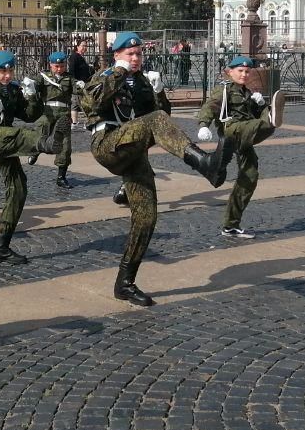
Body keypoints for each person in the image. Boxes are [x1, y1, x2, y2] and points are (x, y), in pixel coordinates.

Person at [81, 32, 235, 306]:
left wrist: (159, 90)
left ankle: (125, 283)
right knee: (152, 121)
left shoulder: (140, 82)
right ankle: (204, 163)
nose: (136, 58)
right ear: (116, 55)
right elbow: (93, 102)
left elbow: (162, 120)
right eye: (130, 54)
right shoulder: (102, 75)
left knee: (147, 217)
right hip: (107, 143)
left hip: (133, 150)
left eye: (139, 54)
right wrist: (118, 72)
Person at [0, 50, 69, 264]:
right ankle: (44, 143)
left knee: (19, 187)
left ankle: (1, 247)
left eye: (11, 70)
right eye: (3, 71)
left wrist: (33, 96)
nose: (8, 75)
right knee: (18, 134)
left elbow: (29, 115)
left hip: (7, 142)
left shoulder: (13, 89)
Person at [195, 55, 284, 239]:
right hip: (232, 132)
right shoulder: (224, 90)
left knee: (250, 176)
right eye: (240, 71)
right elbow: (209, 106)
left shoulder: (247, 92)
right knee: (263, 124)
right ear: (230, 72)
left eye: (247, 71)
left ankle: (231, 225)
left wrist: (259, 104)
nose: (244, 74)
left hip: (245, 135)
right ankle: (270, 119)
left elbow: (250, 113)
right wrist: (203, 125)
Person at [26, 50, 78, 188]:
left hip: (63, 114)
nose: (59, 69)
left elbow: (77, 90)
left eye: (62, 66)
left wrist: (82, 86)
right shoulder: (44, 77)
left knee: (65, 145)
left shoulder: (69, 78)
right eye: (56, 66)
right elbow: (35, 86)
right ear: (51, 65)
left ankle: (61, 177)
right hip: (47, 112)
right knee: (40, 134)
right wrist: (30, 85)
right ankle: (35, 152)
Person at [68, 40, 94, 128]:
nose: (85, 48)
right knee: (80, 102)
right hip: (78, 83)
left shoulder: (82, 57)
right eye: (83, 46)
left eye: (86, 46)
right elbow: (71, 70)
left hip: (84, 83)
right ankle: (76, 122)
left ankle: (76, 123)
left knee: (77, 103)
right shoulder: (74, 56)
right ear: (77, 47)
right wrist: (74, 81)